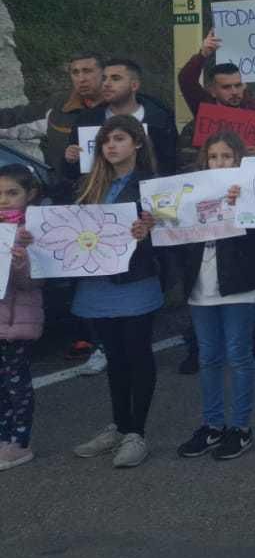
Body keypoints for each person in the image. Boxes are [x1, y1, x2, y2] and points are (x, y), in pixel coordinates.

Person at [66, 116, 162, 469]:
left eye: (119, 139)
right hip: (97, 282)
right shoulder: (87, 184)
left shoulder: (151, 184)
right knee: (115, 357)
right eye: (106, 140)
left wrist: (149, 230)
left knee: (138, 354)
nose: (110, 146)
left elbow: (170, 232)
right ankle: (119, 425)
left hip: (134, 282)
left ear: (137, 143)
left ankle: (137, 433)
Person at [174, 132, 255, 462]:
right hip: (201, 285)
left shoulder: (250, 193)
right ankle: (212, 424)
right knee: (209, 356)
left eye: (227, 156)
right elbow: (176, 234)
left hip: (239, 285)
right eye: (213, 157)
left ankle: (240, 427)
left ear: (238, 160)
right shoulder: (192, 192)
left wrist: (243, 203)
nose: (219, 162)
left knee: (238, 355)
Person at [72, 57, 179, 179]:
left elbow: (171, 166)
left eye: (115, 78)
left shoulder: (160, 120)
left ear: (134, 85)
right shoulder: (86, 120)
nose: (106, 84)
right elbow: (74, 175)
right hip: (98, 193)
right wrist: (70, 160)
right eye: (104, 78)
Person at [176, 32, 255, 154]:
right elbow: (186, 79)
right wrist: (203, 55)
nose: (234, 92)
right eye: (226, 87)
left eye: (238, 85)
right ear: (212, 91)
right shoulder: (205, 107)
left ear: (245, 85)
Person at [0, 165, 42, 471]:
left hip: (19, 321)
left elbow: (35, 281)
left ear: (30, 195)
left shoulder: (33, 231)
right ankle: (3, 439)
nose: (3, 199)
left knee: (17, 383)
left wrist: (20, 260)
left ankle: (20, 441)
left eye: (12, 193)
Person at [44, 52, 103, 201]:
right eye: (75, 72)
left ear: (104, 73)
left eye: (87, 71)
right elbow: (17, 117)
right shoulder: (58, 107)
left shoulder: (123, 107)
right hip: (70, 195)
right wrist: (70, 159)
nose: (81, 78)